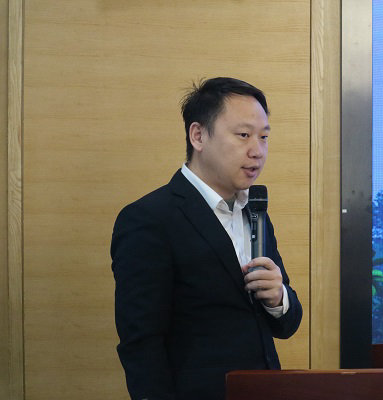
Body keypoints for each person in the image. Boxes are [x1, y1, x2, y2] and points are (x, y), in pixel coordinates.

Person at [111, 77, 303, 400]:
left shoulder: (255, 212)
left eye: (264, 137)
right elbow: (141, 343)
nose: (257, 151)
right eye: (243, 135)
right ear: (198, 136)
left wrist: (278, 298)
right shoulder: (149, 219)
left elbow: (286, 325)